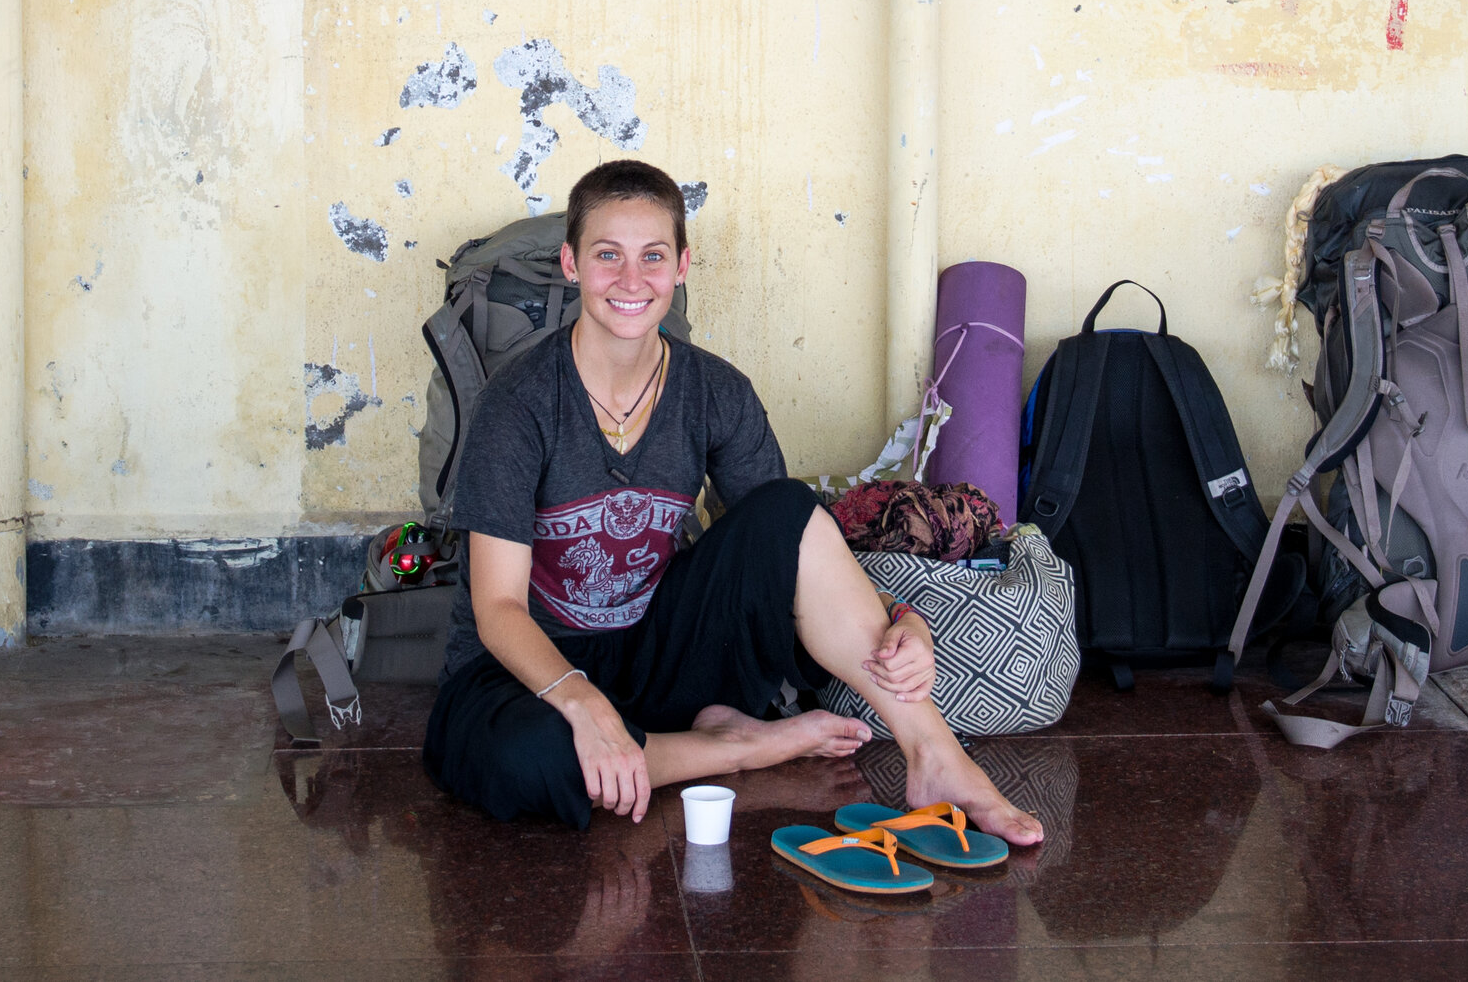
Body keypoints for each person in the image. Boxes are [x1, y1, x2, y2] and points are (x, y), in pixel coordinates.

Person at [421, 158, 1044, 843]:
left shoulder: (715, 391)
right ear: (572, 264)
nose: (632, 281)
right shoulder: (516, 406)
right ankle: (735, 748)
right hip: (527, 669)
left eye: (652, 257)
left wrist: (905, 618)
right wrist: (581, 705)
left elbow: (793, 544)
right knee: (528, 759)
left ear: (682, 266)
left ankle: (935, 755)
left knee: (781, 502)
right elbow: (498, 610)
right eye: (608, 256)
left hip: (657, 646)